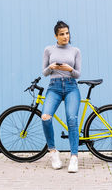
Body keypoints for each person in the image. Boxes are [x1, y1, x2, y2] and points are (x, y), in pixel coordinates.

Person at [42, 20, 81, 173]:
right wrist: (50, 67)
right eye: (62, 34)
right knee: (45, 117)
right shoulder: (48, 50)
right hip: (54, 87)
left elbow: (78, 74)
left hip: (71, 86)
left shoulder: (75, 50)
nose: (65, 36)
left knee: (72, 119)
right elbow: (44, 72)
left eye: (67, 33)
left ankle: (74, 158)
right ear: (56, 36)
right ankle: (53, 152)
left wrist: (70, 69)